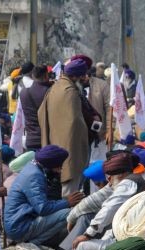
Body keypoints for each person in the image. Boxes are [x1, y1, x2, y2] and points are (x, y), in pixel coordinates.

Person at [4, 145, 84, 247]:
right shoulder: (35, 176)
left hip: (18, 223)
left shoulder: (33, 167)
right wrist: (67, 202)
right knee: (69, 214)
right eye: (59, 166)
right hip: (20, 227)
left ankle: (31, 242)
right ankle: (32, 243)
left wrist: (65, 201)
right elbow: (42, 208)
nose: (60, 170)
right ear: (50, 165)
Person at [38, 57, 90, 196]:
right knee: (70, 193)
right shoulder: (70, 92)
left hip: (55, 144)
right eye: (83, 76)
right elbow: (75, 123)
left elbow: (41, 113)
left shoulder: (55, 87)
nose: (85, 79)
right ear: (75, 76)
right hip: (69, 148)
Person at [18, 64, 51, 151]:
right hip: (46, 139)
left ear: (33, 75)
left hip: (30, 139)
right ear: (46, 75)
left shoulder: (23, 92)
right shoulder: (49, 92)